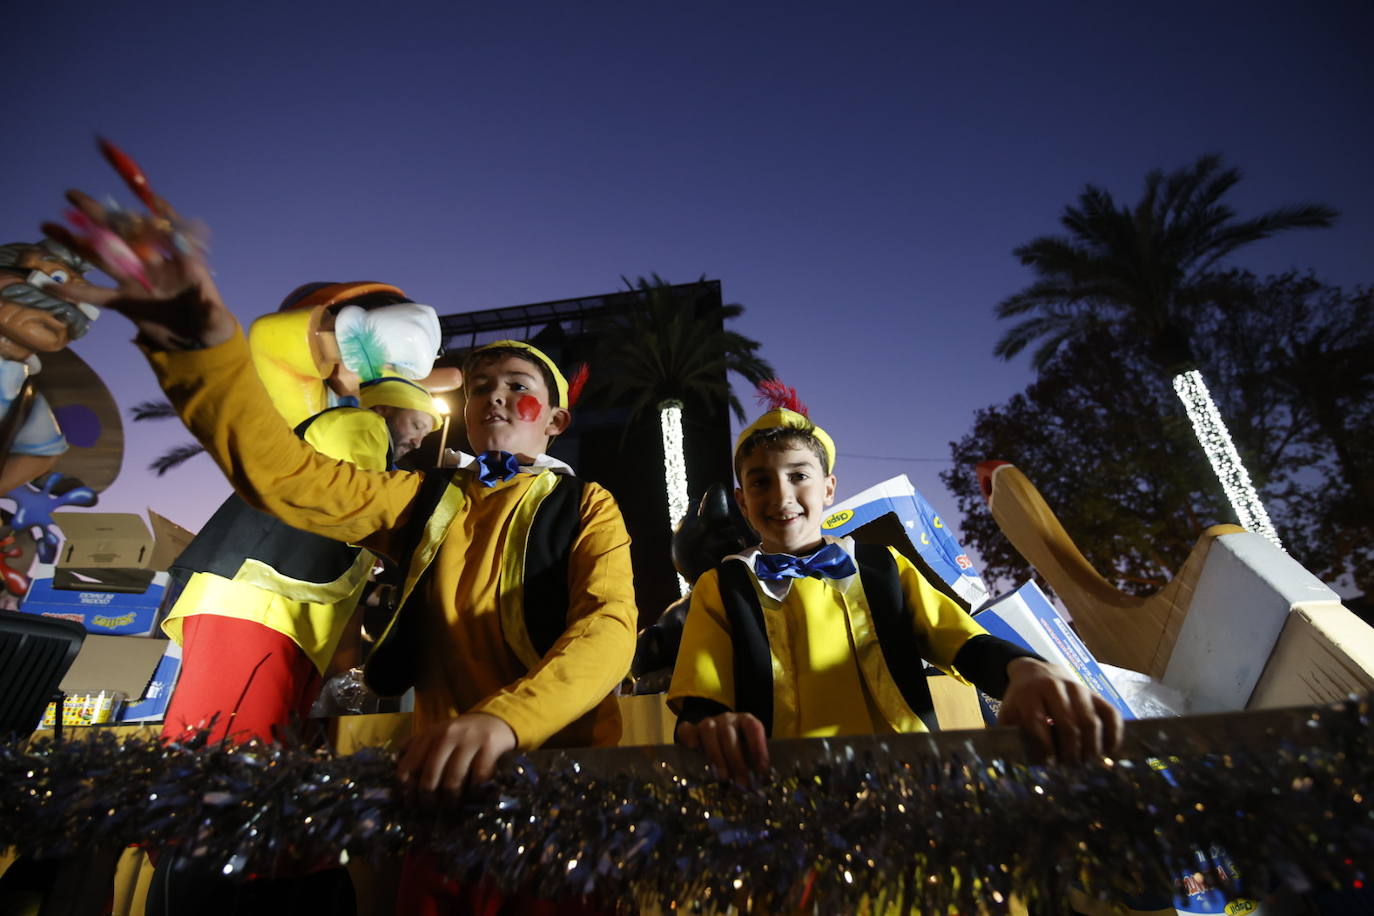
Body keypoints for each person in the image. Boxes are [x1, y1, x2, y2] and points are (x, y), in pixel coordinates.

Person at [44, 165, 637, 913]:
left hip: (565, 796)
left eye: (515, 385)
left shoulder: (587, 502)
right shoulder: (420, 498)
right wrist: (203, 354)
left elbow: (609, 629)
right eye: (481, 387)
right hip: (441, 797)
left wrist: (504, 724)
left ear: (554, 421)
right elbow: (288, 478)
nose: (492, 397)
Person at [668, 400, 1125, 781]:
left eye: (799, 475)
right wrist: (707, 726)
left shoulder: (882, 564)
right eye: (760, 481)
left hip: (912, 779)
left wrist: (1024, 670)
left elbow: (962, 641)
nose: (781, 494)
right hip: (781, 789)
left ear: (829, 488)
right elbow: (702, 695)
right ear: (742, 501)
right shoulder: (721, 585)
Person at [160, 370, 441, 746]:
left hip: (287, 616)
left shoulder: (372, 451)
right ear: (385, 408)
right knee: (225, 750)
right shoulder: (362, 423)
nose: (421, 438)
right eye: (419, 423)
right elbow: (357, 505)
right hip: (257, 602)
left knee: (260, 757)